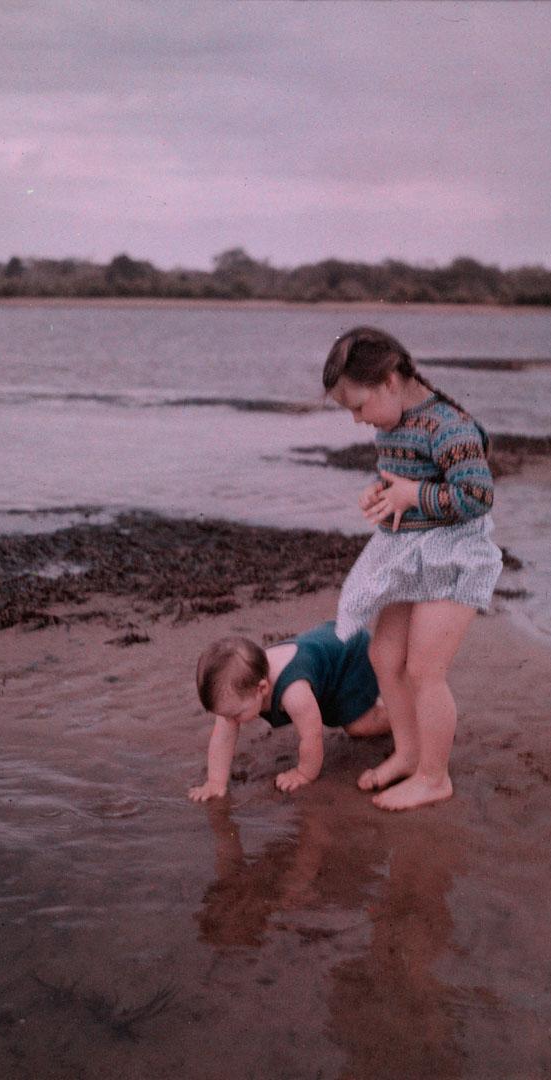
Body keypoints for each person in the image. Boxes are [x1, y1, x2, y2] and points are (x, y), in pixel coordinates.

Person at [322, 326, 503, 811]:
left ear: (388, 381)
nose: (358, 421)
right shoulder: (391, 423)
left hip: (456, 554)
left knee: (425, 668)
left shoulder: (450, 427)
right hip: (409, 552)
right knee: (384, 655)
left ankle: (433, 775)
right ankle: (407, 752)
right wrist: (380, 493)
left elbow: (478, 496)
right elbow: (402, 477)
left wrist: (413, 496)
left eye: (358, 406)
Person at [188, 620, 389, 801]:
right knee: (327, 706)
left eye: (236, 715)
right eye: (224, 715)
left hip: (351, 655)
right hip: (328, 643)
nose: (230, 721)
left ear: (263, 688)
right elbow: (222, 738)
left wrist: (304, 774)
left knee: (358, 726)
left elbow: (312, 735)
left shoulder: (293, 692)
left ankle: (401, 714)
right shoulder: (240, 688)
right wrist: (215, 783)